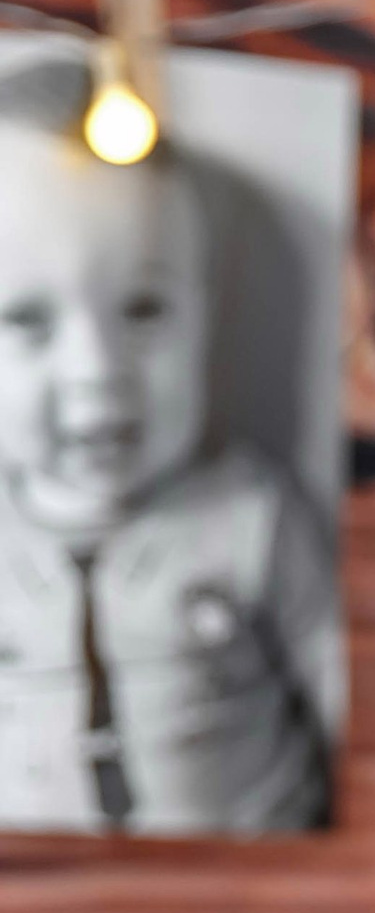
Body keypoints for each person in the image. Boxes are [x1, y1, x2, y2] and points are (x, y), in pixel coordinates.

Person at [0, 90, 335, 837]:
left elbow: (344, 699)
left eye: (146, 309)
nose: (97, 370)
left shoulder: (253, 518)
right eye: (24, 319)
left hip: (244, 896)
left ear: (207, 319)